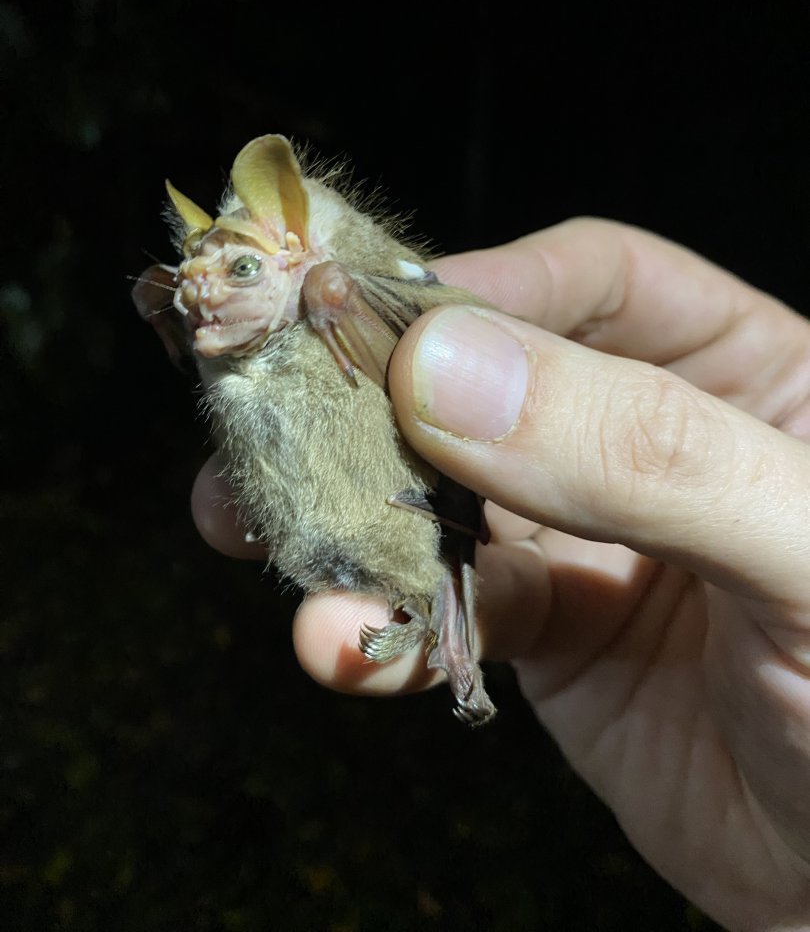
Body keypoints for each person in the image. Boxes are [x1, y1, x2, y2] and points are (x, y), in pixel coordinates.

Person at [191, 218, 810, 930]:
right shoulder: (226, 346)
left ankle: (441, 608)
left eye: (234, 273)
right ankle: (443, 612)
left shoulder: (333, 296)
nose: (196, 293)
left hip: (412, 487)